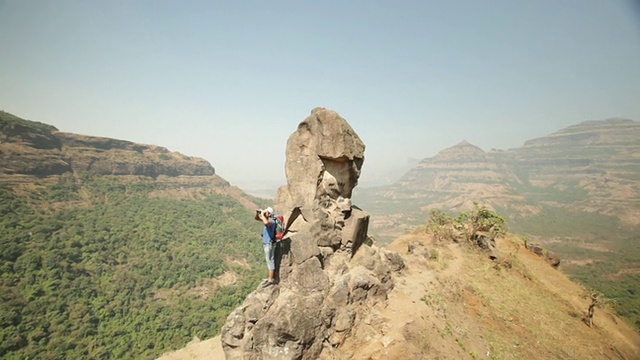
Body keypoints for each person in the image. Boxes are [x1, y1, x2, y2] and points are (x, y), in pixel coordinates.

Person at [255, 206, 276, 288]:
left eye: (267, 212)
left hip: (269, 244)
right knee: (269, 261)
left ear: (269, 214)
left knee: (270, 261)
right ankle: (269, 278)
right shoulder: (266, 219)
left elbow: (266, 223)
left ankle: (270, 280)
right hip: (266, 243)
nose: (265, 213)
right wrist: (258, 213)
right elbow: (257, 219)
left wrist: (263, 214)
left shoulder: (272, 221)